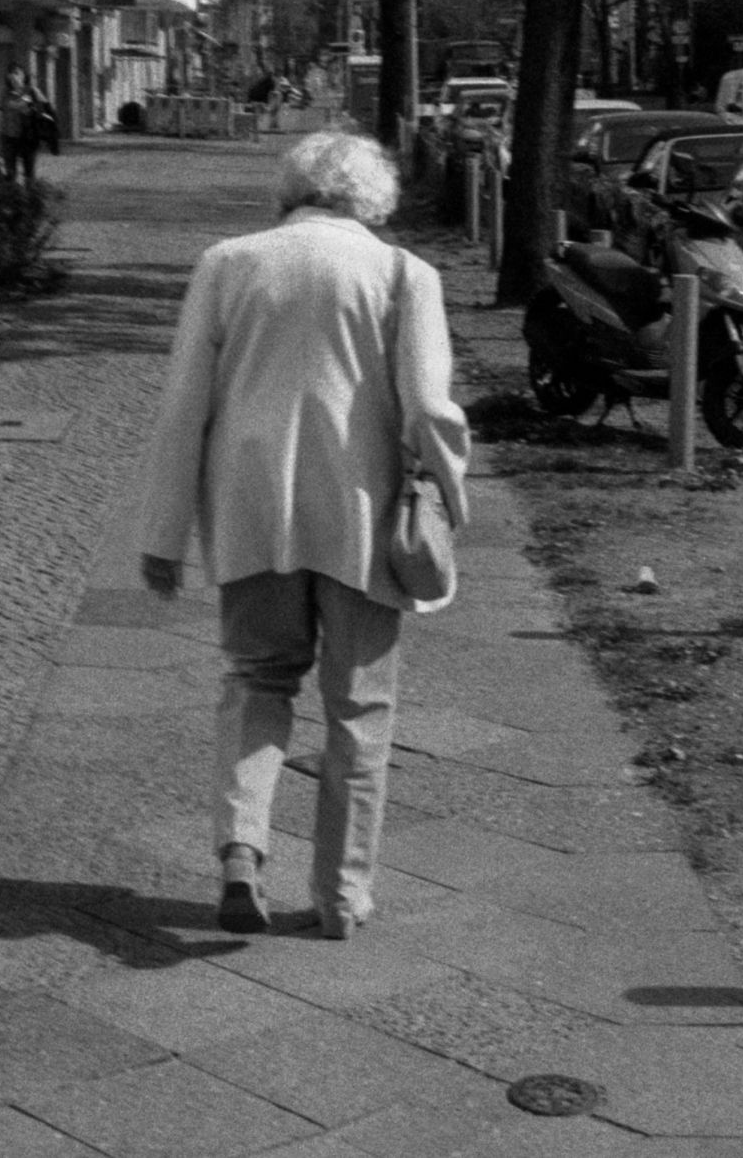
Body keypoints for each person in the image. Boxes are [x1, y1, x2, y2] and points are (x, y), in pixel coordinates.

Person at [137, 132, 470, 940]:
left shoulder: (228, 262)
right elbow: (429, 407)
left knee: (257, 680)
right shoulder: (404, 274)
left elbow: (184, 404)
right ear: (374, 197)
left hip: (251, 511)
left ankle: (242, 848)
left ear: (292, 189)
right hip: (363, 519)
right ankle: (341, 895)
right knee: (359, 710)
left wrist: (163, 532)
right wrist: (450, 494)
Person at [0, 68, 41, 182]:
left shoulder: (30, 91)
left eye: (17, 75)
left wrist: (18, 105)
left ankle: (30, 191)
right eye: (11, 77)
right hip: (9, 136)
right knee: (10, 171)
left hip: (27, 137)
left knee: (29, 172)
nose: (14, 79)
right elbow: (1, 113)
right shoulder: (6, 94)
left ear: (23, 76)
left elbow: (26, 107)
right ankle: (12, 191)